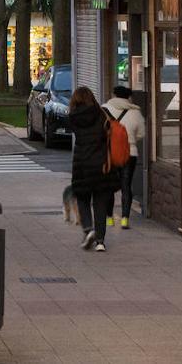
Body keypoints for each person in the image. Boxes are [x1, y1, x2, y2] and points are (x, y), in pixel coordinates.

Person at [61, 86, 120, 252]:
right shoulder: (102, 113)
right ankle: (100, 241)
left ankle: (88, 229)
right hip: (102, 164)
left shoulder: (73, 117)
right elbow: (113, 128)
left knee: (83, 198)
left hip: (82, 164)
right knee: (101, 203)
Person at [102, 85, 144, 229]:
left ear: (114, 94)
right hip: (130, 153)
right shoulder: (136, 112)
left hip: (110, 153)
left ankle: (109, 218)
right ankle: (125, 219)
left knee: (109, 186)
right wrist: (129, 140)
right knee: (126, 186)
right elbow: (141, 133)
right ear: (129, 97)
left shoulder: (104, 109)